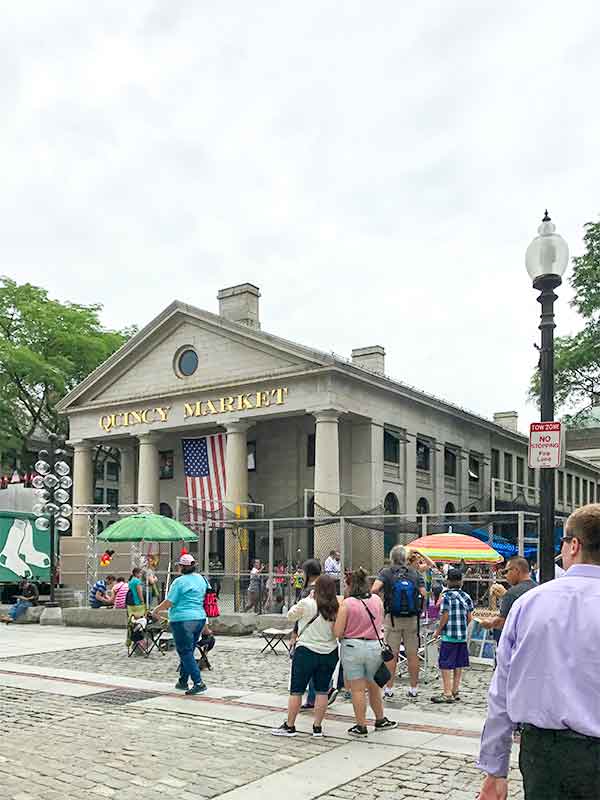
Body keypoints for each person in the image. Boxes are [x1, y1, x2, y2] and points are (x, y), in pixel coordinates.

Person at [477, 504, 600, 800]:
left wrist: (495, 769)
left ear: (573, 545)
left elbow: (502, 690)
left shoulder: (529, 604)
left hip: (545, 754)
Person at [272, 574, 340, 738]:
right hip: (329, 652)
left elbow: (290, 615)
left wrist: (306, 599)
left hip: (306, 651)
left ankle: (290, 725)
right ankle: (317, 727)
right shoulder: (337, 607)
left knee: (296, 691)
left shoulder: (307, 604)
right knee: (322, 691)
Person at [333, 567, 398, 737]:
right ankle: (380, 719)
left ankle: (361, 725)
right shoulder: (377, 600)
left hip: (352, 647)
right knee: (374, 687)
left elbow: (338, 632)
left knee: (357, 689)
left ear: (351, 586)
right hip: (374, 646)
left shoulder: (347, 604)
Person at [371, 545, 426, 699]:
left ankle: (389, 688)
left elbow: (374, 589)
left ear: (392, 558)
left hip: (392, 619)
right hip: (412, 620)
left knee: (391, 654)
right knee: (412, 654)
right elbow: (423, 593)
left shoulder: (386, 572)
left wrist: (384, 599)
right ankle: (414, 688)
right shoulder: (414, 573)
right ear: (405, 558)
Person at [152, 554, 209, 695]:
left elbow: (169, 602)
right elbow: (208, 597)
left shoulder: (179, 582)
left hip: (182, 620)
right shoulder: (202, 579)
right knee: (189, 650)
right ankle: (183, 681)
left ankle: (198, 682)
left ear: (182, 567)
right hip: (200, 618)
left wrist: (156, 610)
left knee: (184, 651)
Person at [431, 568, 473, 703]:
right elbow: (469, 617)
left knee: (445, 664)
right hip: (461, 636)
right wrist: (463, 626)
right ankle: (455, 690)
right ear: (461, 581)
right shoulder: (466, 596)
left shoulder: (446, 596)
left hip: (449, 635)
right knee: (458, 664)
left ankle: (447, 692)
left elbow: (445, 615)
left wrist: (437, 631)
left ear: (447, 581)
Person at [478, 557, 537, 639]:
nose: (505, 576)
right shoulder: (538, 589)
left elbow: (501, 622)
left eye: (506, 571)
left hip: (519, 640)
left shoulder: (512, 593)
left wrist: (488, 623)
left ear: (516, 570)